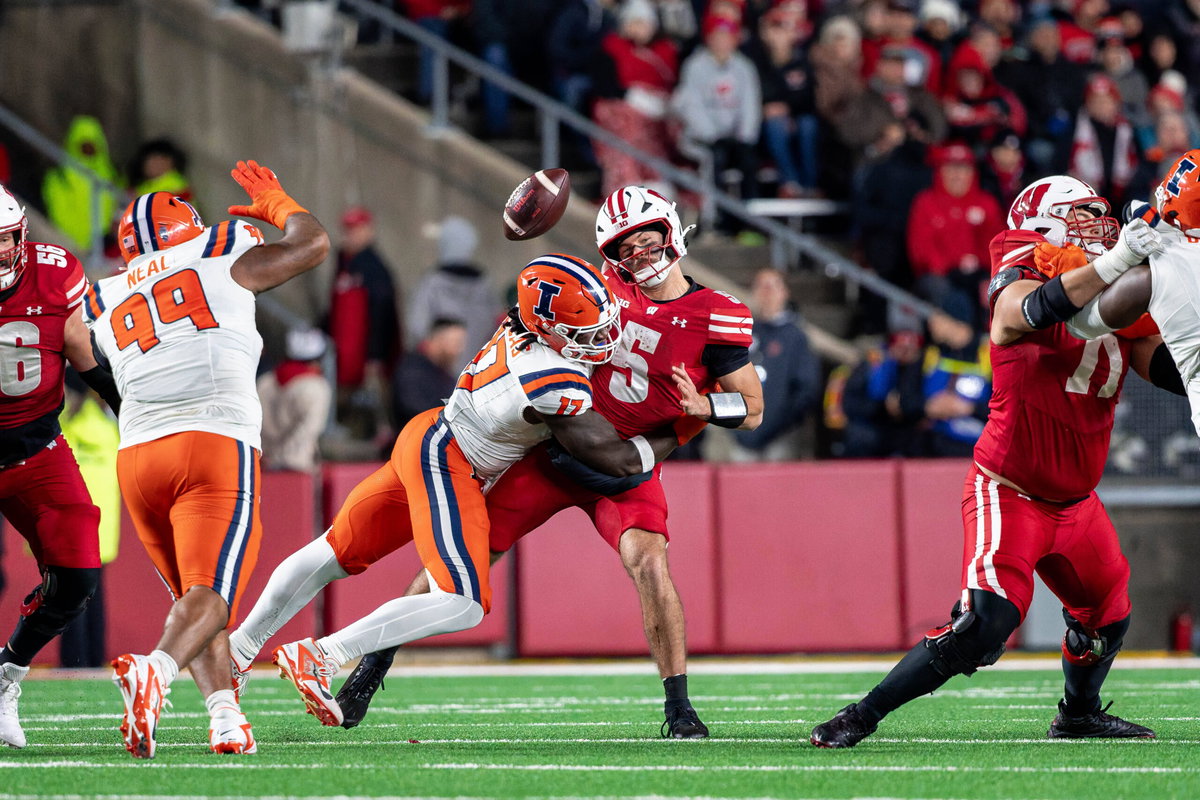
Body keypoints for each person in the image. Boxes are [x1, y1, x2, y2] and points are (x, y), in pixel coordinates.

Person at [338, 186, 765, 739]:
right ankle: (373, 665)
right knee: (462, 556)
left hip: (628, 467)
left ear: (670, 230)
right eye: (625, 249)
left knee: (650, 563)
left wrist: (706, 407)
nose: (638, 256)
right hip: (558, 450)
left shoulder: (716, 314)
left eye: (646, 240)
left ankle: (679, 706)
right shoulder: (601, 284)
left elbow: (753, 409)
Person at [227, 254, 683, 727]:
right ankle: (322, 655)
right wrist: (686, 423)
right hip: (450, 460)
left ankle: (237, 651)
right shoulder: (553, 379)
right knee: (463, 601)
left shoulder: (522, 321)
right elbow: (614, 458)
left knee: (333, 553)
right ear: (548, 330)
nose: (601, 340)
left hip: (430, 434)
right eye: (583, 333)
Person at [810, 175, 1167, 748]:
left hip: (1077, 502)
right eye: (1082, 214)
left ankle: (1078, 715)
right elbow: (1015, 314)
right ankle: (863, 714)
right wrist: (1120, 260)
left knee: (1107, 618)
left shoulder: (1113, 285)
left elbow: (1159, 362)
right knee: (984, 626)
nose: (1100, 225)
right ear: (1046, 223)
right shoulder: (1023, 257)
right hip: (1011, 490)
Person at [83, 162, 330, 759]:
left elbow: (80, 355)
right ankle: (156, 671)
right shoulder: (220, 252)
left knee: (194, 599)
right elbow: (313, 245)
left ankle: (225, 717)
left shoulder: (104, 294)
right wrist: (278, 203)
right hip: (212, 441)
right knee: (212, 594)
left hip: (138, 456)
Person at [0, 183, 121, 749]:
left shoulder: (53, 272)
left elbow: (80, 347)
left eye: (6, 239)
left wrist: (128, 407)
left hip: (37, 450)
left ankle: (7, 673)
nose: (2, 252)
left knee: (76, 578)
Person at [57, 368, 121, 668]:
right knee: (92, 593)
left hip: (73, 523)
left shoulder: (67, 423)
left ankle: (75, 662)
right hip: (100, 526)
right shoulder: (108, 425)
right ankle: (93, 660)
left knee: (70, 593)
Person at [729, 268, 820, 460]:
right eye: (760, 287)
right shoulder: (741, 331)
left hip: (781, 437)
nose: (766, 293)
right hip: (742, 435)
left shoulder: (795, 336)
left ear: (784, 292)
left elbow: (806, 388)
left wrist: (783, 422)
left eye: (771, 286)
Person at [327, 206, 400, 443]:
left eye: (357, 229)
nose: (351, 235)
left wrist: (375, 356)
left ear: (369, 231)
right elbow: (334, 310)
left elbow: (382, 314)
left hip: (367, 357)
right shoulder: (344, 263)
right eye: (347, 230)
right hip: (343, 356)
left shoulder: (374, 268)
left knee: (373, 405)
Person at [406, 216, 501, 358]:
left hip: (442, 365)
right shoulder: (484, 286)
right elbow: (498, 325)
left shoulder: (433, 283)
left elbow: (417, 326)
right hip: (478, 366)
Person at [41, 115, 122, 254]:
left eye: (93, 145)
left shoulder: (111, 176)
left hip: (104, 248)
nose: (89, 150)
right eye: (83, 146)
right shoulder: (57, 177)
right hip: (67, 246)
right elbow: (58, 213)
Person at [257, 327, 333, 472]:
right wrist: (280, 458)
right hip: (297, 466)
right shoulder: (317, 386)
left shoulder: (265, 381)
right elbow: (309, 430)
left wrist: (270, 458)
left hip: (264, 464)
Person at [391, 317, 467, 428]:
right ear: (439, 341)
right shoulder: (412, 372)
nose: (460, 350)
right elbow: (419, 412)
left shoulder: (442, 372)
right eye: (456, 343)